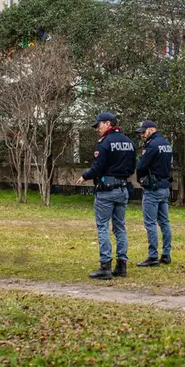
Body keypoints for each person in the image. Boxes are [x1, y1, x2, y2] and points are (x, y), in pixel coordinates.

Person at [76, 112, 136, 280]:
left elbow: (98, 167)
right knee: (120, 227)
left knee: (102, 226)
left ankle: (105, 266)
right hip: (123, 189)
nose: (97, 129)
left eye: (99, 125)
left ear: (108, 123)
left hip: (106, 191)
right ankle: (122, 265)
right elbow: (132, 168)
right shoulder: (129, 142)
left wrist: (85, 176)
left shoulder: (104, 143)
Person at [134, 120, 173, 267]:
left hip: (153, 187)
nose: (142, 135)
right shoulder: (166, 144)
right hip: (165, 186)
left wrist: (141, 180)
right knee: (164, 222)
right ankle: (166, 254)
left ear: (152, 129)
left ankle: (152, 256)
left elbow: (142, 165)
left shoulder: (152, 145)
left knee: (150, 223)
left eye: (144, 132)